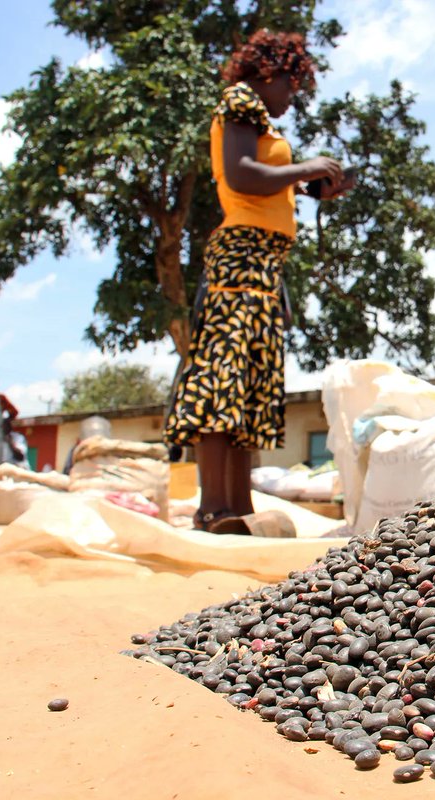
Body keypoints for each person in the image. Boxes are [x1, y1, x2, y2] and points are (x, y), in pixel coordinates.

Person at [163, 30, 352, 534]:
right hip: (240, 263)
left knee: (249, 386)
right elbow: (243, 176)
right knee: (222, 380)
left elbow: (266, 180)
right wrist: (305, 167)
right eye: (292, 86)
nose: (292, 98)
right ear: (271, 73)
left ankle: (238, 509)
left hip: (264, 266)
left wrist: (314, 186)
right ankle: (213, 507)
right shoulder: (241, 99)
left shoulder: (258, 115)